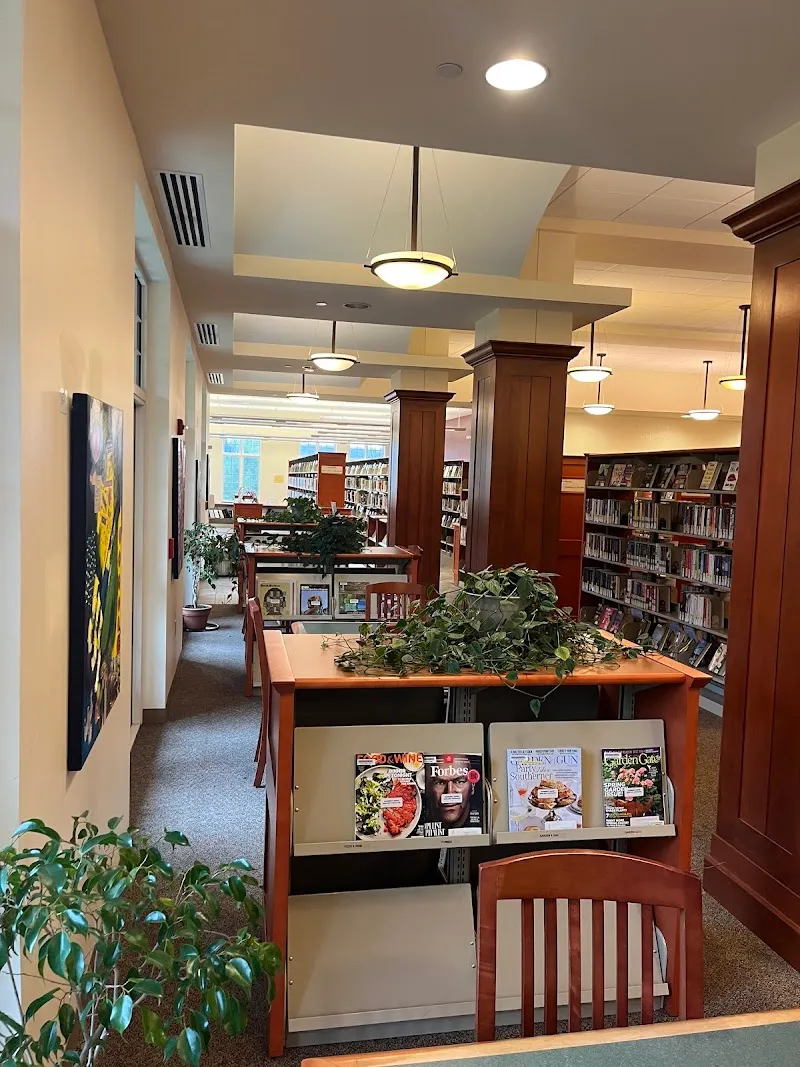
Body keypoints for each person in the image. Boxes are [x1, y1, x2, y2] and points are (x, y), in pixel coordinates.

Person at [426, 754, 479, 831]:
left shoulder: (485, 821)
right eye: (440, 783)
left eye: (459, 782)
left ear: (473, 786)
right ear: (428, 787)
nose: (450, 792)